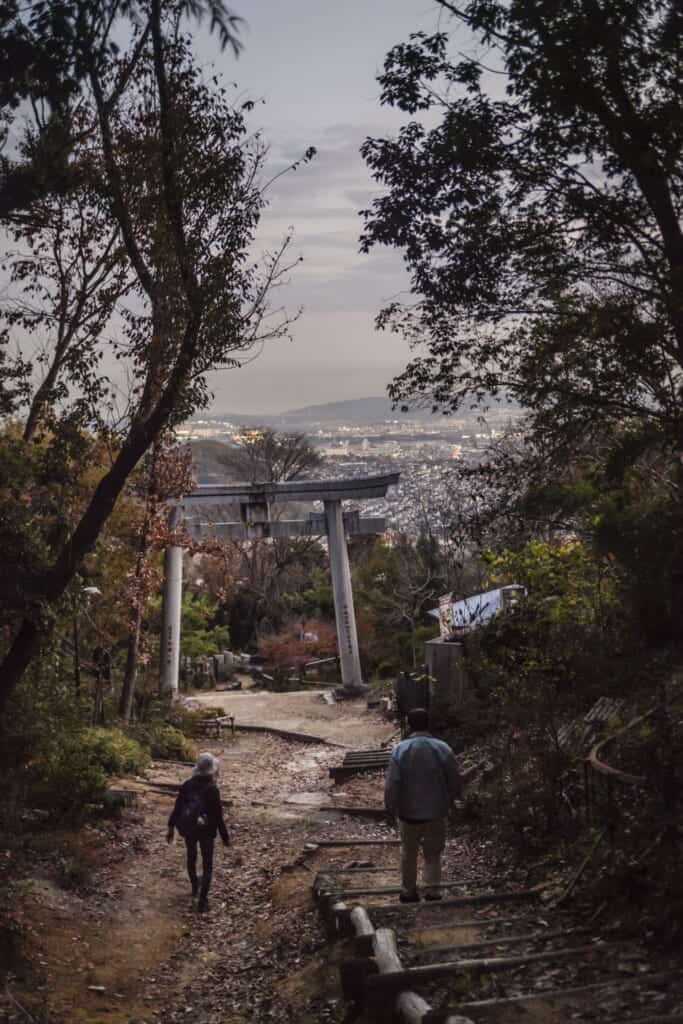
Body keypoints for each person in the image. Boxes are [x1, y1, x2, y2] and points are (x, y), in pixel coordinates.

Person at [384, 707, 462, 903]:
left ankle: (408, 892)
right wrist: (454, 800)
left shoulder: (400, 750)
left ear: (409, 725)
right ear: (428, 723)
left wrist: (390, 808)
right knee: (433, 853)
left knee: (408, 853)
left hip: (408, 812)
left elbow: (393, 783)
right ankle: (432, 891)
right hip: (436, 811)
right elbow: (454, 779)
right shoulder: (443, 748)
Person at [167, 752, 230, 912]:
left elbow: (178, 808)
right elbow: (218, 817)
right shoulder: (212, 789)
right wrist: (225, 837)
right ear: (212, 769)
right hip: (207, 831)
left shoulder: (187, 785)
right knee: (207, 864)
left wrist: (171, 828)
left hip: (189, 829)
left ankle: (195, 886)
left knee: (191, 856)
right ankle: (202, 901)